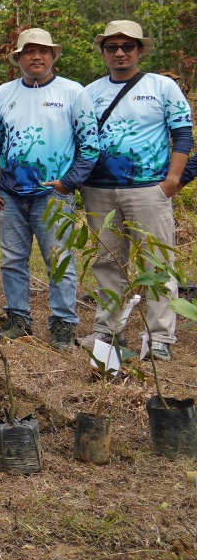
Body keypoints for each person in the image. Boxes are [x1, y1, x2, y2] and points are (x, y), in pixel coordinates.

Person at [0, 29, 100, 350]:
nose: (37, 56)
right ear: (18, 58)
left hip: (54, 193)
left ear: (53, 56)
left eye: (43, 51)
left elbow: (90, 146)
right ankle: (18, 318)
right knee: (12, 260)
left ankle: (63, 323)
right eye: (29, 51)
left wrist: (68, 182)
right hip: (9, 192)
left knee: (59, 259)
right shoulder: (3, 94)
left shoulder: (73, 92)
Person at [80, 21, 191, 361]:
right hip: (99, 190)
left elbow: (183, 135)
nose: (120, 53)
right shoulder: (90, 92)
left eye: (127, 46)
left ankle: (159, 337)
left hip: (149, 190)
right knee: (107, 262)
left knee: (158, 262)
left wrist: (172, 180)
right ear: (103, 53)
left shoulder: (162, 87)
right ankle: (106, 331)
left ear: (140, 50)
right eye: (111, 47)